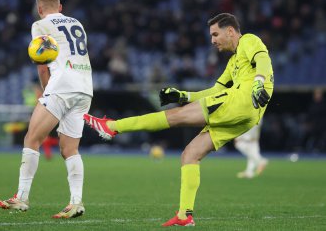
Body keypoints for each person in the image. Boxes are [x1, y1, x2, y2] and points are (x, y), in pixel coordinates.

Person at [84, 13, 274, 227]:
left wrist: (259, 83)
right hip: (247, 115)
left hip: (243, 100)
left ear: (230, 31)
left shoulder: (249, 40)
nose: (212, 40)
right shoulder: (233, 62)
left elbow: (263, 60)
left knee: (176, 116)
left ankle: (112, 127)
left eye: (215, 34)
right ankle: (185, 215)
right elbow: (216, 90)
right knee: (190, 154)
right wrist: (183, 96)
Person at [0, 0, 93, 219]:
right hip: (85, 87)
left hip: (62, 86)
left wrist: (48, 90)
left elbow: (42, 62)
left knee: (32, 138)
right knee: (70, 149)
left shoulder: (40, 25)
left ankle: (21, 197)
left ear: (39, 9)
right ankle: (76, 202)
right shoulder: (77, 23)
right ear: (60, 7)